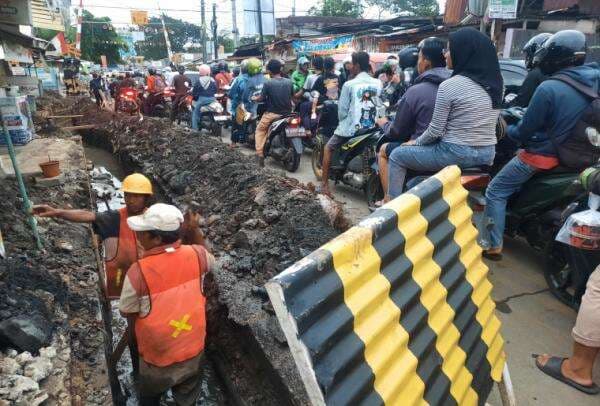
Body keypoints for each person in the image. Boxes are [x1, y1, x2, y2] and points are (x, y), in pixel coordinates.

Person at [484, 30, 599, 260]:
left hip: (544, 155)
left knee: (495, 191)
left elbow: (525, 130)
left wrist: (508, 131)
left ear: (554, 57)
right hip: (583, 156)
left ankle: (492, 244)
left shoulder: (549, 88)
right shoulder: (594, 81)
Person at [387, 27, 501, 199]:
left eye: (449, 49)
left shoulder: (450, 85)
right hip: (487, 154)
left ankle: (391, 212)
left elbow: (435, 131)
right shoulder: (497, 84)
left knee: (397, 155)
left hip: (454, 152)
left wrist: (415, 142)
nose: (446, 54)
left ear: (463, 52)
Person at [119, 203, 213, 405]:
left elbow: (127, 312)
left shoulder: (138, 272)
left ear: (157, 238)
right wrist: (195, 229)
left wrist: (138, 347)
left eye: (143, 233)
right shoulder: (198, 254)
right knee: (188, 397)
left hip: (157, 358)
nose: (138, 235)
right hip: (193, 349)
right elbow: (209, 256)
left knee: (150, 397)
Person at [375, 37, 450, 204]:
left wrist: (384, 123)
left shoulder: (416, 89)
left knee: (384, 150)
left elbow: (397, 131)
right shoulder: (455, 86)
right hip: (452, 148)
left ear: (426, 62)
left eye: (420, 58)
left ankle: (389, 201)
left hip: (425, 149)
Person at [320, 51, 382, 195]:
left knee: (328, 148)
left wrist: (343, 123)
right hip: (372, 126)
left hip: (352, 128)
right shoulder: (378, 82)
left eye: (352, 64)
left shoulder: (349, 84)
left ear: (357, 65)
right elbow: (380, 105)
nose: (350, 67)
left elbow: (342, 111)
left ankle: (324, 186)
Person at [252, 59, 294, 167]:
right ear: (280, 69)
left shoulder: (268, 83)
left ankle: (260, 154)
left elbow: (261, 98)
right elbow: (292, 97)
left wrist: (255, 98)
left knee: (260, 130)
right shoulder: (289, 82)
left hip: (272, 114)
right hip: (288, 114)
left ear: (269, 71)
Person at [510, 33, 552, 108]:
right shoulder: (553, 72)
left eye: (527, 55)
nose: (526, 58)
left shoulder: (536, 73)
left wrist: (502, 107)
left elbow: (521, 102)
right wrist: (512, 88)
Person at [229, 60, 250, 147]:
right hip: (253, 105)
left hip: (240, 106)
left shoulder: (238, 79)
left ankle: (233, 143)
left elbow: (231, 93)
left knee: (235, 124)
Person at [191, 64, 218, 131]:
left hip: (202, 100)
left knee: (195, 114)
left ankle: (195, 130)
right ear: (208, 71)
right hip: (212, 99)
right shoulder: (212, 80)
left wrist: (195, 96)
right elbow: (215, 90)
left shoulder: (198, 81)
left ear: (200, 72)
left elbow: (194, 92)